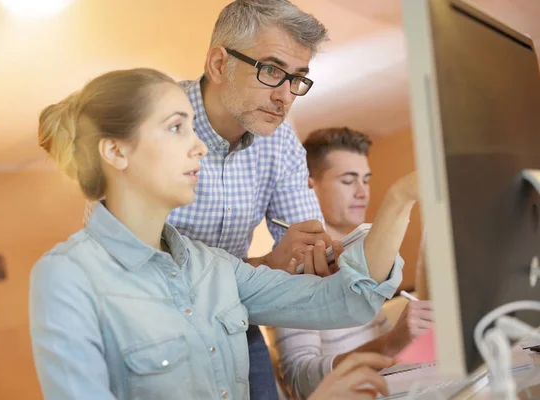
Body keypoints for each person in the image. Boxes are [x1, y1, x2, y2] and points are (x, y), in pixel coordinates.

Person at [29, 68, 405, 400]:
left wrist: (400, 201)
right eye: (177, 127)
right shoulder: (66, 278)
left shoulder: (213, 266)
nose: (199, 146)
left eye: (192, 127)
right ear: (116, 151)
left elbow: (344, 301)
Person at [145, 1, 423, 396]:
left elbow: (309, 256)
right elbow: (135, 274)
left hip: (236, 313)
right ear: (219, 64)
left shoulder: (281, 145)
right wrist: (266, 265)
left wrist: (323, 255)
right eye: (272, 71)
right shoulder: (150, 123)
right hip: (154, 323)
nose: (285, 96)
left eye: (297, 79)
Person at [275, 127, 434, 399]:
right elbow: (301, 383)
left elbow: (387, 348)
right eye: (348, 181)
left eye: (366, 180)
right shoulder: (292, 268)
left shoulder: (363, 254)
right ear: (309, 186)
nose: (362, 192)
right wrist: (390, 343)